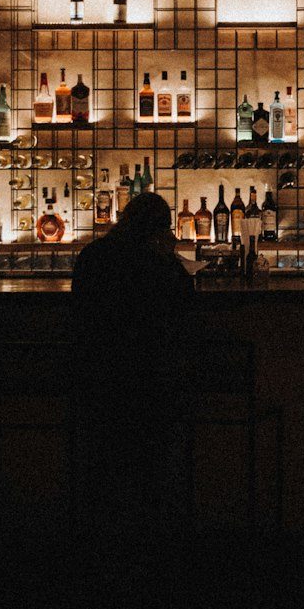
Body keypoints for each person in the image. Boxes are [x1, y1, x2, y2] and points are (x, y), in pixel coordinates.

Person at [70, 192, 196, 540]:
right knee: (153, 464)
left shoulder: (93, 255)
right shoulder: (157, 263)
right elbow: (183, 301)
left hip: (96, 383)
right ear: (159, 230)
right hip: (150, 384)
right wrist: (170, 257)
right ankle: (153, 528)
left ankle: (100, 528)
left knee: (104, 464)